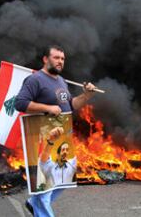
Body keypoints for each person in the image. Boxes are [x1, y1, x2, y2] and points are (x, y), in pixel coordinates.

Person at [15, 45, 96, 217]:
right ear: (45, 59)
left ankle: (33, 203)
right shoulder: (35, 80)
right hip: (44, 141)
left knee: (64, 181)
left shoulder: (61, 81)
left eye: (62, 59)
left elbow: (70, 105)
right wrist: (48, 108)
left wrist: (86, 96)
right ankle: (40, 207)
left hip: (63, 140)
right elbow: (20, 103)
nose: (60, 61)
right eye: (56, 57)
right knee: (45, 187)